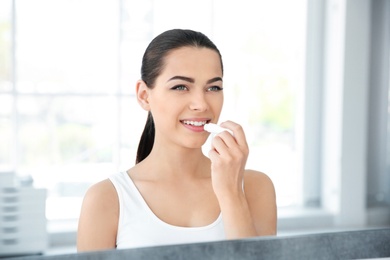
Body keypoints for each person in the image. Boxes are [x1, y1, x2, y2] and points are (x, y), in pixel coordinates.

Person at [77, 29, 277, 252]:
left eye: (213, 87)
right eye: (180, 87)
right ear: (144, 95)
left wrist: (232, 194)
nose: (201, 104)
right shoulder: (106, 199)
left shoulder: (255, 188)